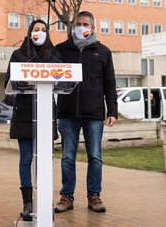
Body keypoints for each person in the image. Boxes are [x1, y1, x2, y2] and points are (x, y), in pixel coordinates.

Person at [54, 11, 118, 213]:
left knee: (95, 157)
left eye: (85, 24)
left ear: (93, 27)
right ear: (73, 27)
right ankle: (67, 196)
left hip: (94, 114)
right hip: (67, 113)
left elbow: (110, 84)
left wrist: (113, 111)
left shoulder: (103, 52)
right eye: (78, 24)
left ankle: (94, 196)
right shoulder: (60, 50)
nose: (82, 27)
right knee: (67, 158)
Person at [4, 19, 62, 221]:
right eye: (36, 30)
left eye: (44, 30)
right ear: (29, 33)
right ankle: (27, 203)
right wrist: (25, 79)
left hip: (46, 114)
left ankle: (45, 201)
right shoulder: (19, 55)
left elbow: (63, 79)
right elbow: (8, 83)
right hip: (25, 114)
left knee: (44, 160)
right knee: (26, 159)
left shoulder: (54, 55)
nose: (40, 33)